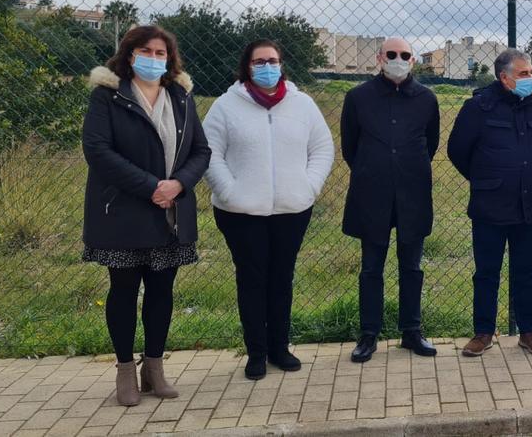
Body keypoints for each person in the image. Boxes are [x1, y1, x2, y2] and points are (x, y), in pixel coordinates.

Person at [81, 25, 210, 406]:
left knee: (161, 292)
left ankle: (153, 368)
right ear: (129, 53)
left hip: (170, 213)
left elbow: (201, 151)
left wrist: (178, 185)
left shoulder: (181, 96)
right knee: (123, 291)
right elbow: (98, 150)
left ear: (169, 59)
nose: (153, 59)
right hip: (124, 212)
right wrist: (151, 185)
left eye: (161, 53)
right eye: (146, 51)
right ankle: (124, 371)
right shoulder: (108, 96)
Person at [204, 39, 335, 380]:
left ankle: (280, 347)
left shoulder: (302, 104)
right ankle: (256, 353)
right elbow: (208, 153)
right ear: (246, 66)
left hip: (292, 209)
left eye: (273, 60)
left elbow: (322, 148)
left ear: (282, 64)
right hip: (240, 212)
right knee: (252, 279)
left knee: (281, 279)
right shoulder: (225, 106)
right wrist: (230, 192)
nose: (267, 67)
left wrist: (309, 186)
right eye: (259, 61)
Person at [448, 49, 532, 357]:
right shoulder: (479, 107)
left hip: (529, 205)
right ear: (504, 77)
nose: (530, 78)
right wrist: (485, 178)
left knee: (527, 271)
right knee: (487, 273)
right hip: (490, 206)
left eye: (531, 72)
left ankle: (529, 332)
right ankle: (483, 333)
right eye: (523, 74)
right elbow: (457, 151)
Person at [341, 37, 440, 363]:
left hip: (413, 194)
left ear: (413, 61)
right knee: (371, 268)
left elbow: (431, 143)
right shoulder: (358, 98)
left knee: (412, 267)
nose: (398, 59)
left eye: (405, 55)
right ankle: (369, 335)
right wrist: (377, 169)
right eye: (392, 54)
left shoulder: (427, 99)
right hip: (372, 194)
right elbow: (350, 148)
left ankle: (411, 331)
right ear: (380, 58)